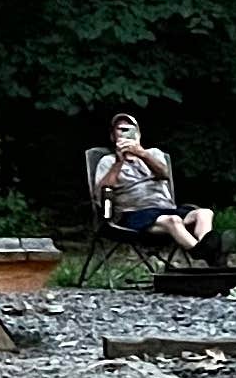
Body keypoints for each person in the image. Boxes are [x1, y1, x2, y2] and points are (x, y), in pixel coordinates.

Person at [92, 113, 226, 274]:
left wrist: (142, 154)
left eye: (130, 130)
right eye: (121, 130)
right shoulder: (108, 161)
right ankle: (208, 255)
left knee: (204, 213)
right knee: (173, 220)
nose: (125, 133)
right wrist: (119, 163)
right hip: (134, 215)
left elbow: (163, 174)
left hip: (166, 208)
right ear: (113, 136)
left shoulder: (153, 154)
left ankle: (207, 249)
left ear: (139, 135)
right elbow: (103, 190)